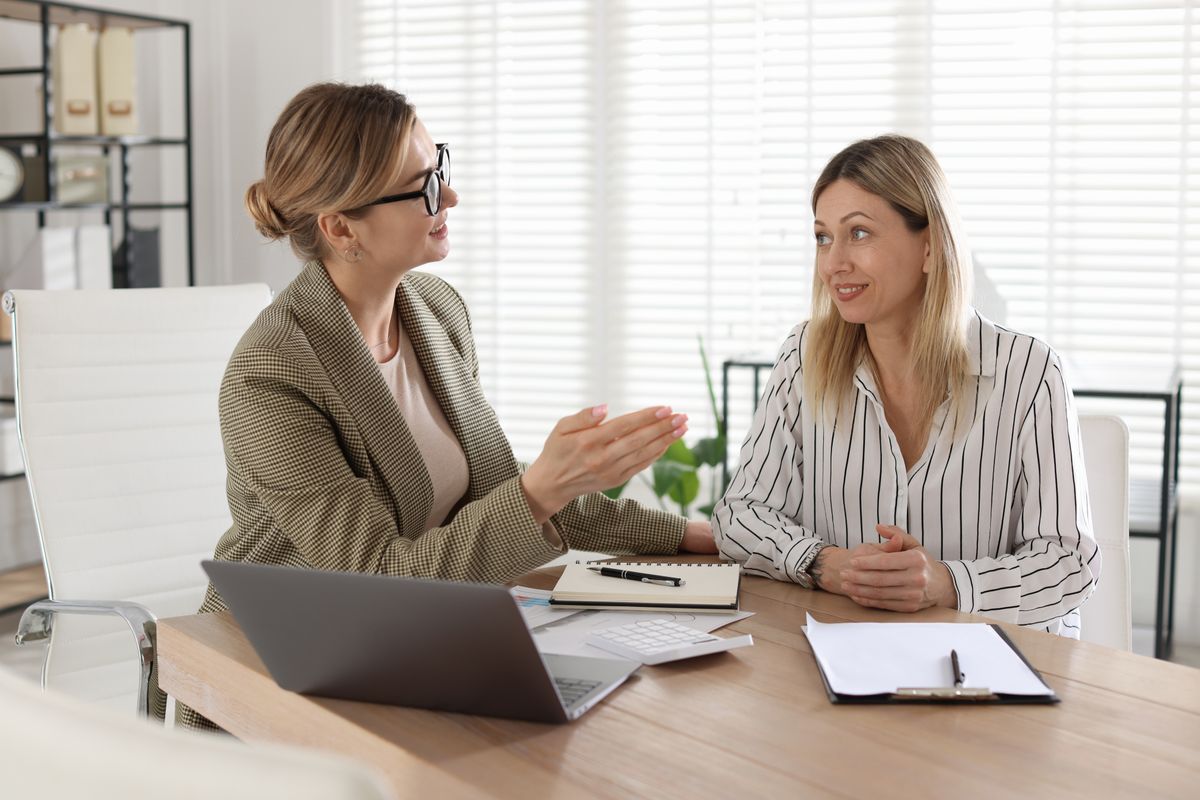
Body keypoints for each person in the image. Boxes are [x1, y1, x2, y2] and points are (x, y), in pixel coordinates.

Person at [179, 82, 715, 729]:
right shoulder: (270, 374)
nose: (450, 197)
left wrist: (690, 537)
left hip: (415, 642)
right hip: (281, 661)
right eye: (423, 188)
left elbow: (493, 490)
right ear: (341, 227)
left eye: (441, 170)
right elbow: (375, 580)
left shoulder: (437, 310)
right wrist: (540, 490)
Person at [712, 134, 1099, 637]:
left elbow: (1070, 563)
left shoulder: (1029, 372)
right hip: (846, 646)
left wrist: (948, 584)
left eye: (859, 233)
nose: (833, 264)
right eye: (824, 237)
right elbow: (741, 513)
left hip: (990, 658)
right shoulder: (804, 355)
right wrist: (825, 563)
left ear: (930, 247)